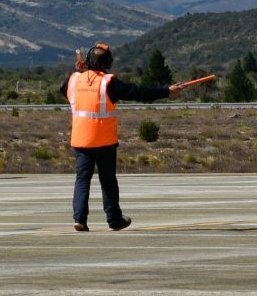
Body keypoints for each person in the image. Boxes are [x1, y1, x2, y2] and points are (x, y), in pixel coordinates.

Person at [59, 44, 185, 232]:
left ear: (88, 61)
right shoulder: (108, 83)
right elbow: (138, 92)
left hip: (81, 139)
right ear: (108, 63)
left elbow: (64, 89)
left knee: (82, 179)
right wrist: (166, 91)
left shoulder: (74, 79)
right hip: (104, 141)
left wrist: (80, 71)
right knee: (108, 180)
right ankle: (114, 219)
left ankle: (79, 219)